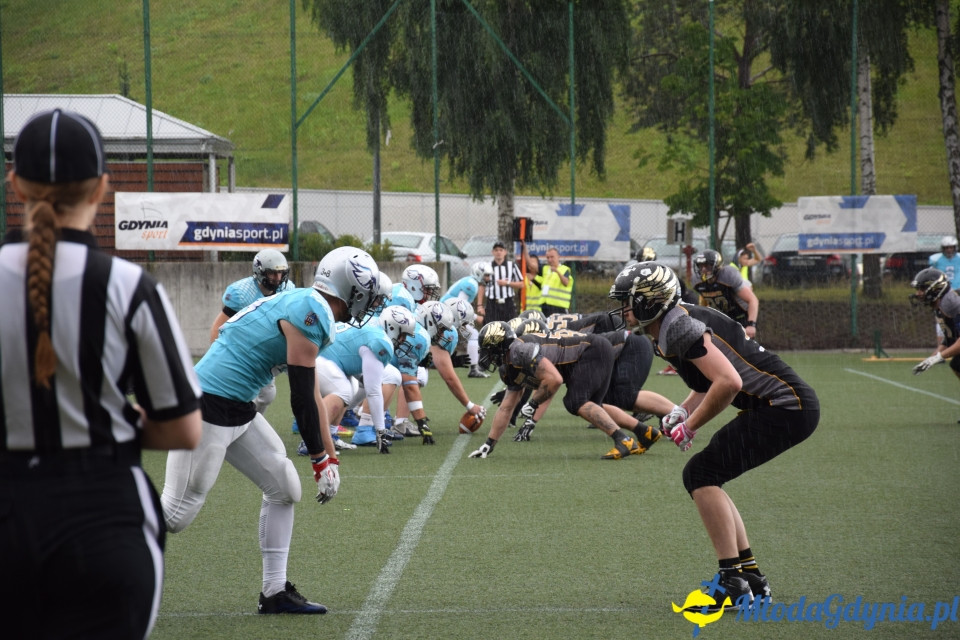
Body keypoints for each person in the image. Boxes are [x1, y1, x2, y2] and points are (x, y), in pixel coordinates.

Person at [0, 108, 203, 638]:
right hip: (105, 520)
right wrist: (116, 418)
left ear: (15, 185)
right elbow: (183, 428)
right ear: (102, 189)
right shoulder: (128, 285)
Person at [161, 246, 380, 615]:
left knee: (283, 488)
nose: (369, 302)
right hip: (210, 404)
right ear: (352, 290)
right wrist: (318, 460)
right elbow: (299, 399)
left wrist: (330, 455)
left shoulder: (310, 305)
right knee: (175, 514)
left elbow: (311, 387)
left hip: (238, 405)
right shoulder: (312, 312)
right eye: (367, 294)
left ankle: (274, 592)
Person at [609, 261, 820, 610]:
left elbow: (729, 382)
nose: (624, 310)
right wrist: (683, 409)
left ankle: (733, 581)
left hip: (784, 406)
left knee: (702, 474)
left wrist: (691, 426)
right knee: (709, 476)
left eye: (629, 302)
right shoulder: (675, 320)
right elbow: (713, 378)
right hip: (783, 405)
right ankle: (749, 577)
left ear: (650, 301)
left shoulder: (679, 327)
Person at [468, 321, 643, 461]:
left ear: (499, 345)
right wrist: (489, 444)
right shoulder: (510, 364)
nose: (487, 356)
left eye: (489, 350)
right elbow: (506, 408)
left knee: (576, 402)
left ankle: (624, 440)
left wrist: (533, 403)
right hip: (593, 350)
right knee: (593, 406)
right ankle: (645, 432)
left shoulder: (519, 351)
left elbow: (554, 380)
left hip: (592, 350)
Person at [211, 248, 296, 414]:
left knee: (268, 394)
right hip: (243, 348)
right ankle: (242, 422)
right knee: (246, 393)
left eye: (281, 273)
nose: (278, 278)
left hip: (268, 348)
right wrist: (218, 353)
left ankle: (252, 423)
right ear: (260, 271)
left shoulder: (288, 290)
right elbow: (219, 326)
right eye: (272, 273)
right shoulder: (242, 293)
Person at [909, 268, 960, 422]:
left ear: (936, 288)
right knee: (957, 364)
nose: (918, 293)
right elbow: (950, 337)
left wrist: (938, 358)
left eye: (922, 289)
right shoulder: (940, 304)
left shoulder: (951, 303)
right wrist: (932, 357)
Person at [691, 249, 759, 340]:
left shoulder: (727, 276)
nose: (703, 269)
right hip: (724, 317)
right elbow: (704, 301)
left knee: (744, 350)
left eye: (707, 266)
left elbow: (752, 300)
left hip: (743, 316)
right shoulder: (698, 281)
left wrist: (751, 324)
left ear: (716, 266)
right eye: (700, 266)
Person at [441, 260, 491, 378]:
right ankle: (473, 369)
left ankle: (474, 369)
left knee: (472, 335)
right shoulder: (471, 285)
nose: (488, 278)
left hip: (446, 312)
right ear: (479, 274)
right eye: (487, 275)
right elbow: (458, 306)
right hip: (445, 314)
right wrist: (476, 317)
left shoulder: (470, 282)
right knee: (472, 335)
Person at [480, 240, 524, 324]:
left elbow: (521, 284)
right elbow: (481, 285)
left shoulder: (512, 266)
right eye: (496, 250)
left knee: (511, 326)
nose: (498, 252)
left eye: (501, 250)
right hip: (492, 303)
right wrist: (479, 305)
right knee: (491, 326)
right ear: (492, 252)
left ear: (505, 252)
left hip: (507, 302)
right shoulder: (487, 266)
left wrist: (507, 283)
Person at [536, 246, 574, 316]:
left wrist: (557, 271)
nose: (550, 260)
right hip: (545, 305)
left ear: (558, 257)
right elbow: (531, 267)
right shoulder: (545, 269)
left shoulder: (565, 269)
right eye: (548, 257)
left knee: (560, 326)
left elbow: (566, 282)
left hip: (559, 307)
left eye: (552, 257)